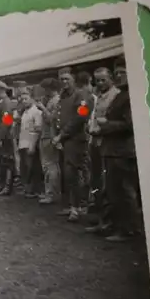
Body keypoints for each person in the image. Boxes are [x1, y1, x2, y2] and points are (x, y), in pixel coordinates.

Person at [89, 59, 141, 242]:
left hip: (122, 150)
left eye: (122, 73)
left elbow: (129, 125)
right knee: (112, 189)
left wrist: (105, 126)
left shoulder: (128, 96)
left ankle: (129, 230)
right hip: (110, 148)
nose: (119, 76)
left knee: (124, 191)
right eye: (117, 73)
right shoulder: (120, 96)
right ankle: (113, 224)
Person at [53, 67, 94, 222]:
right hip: (65, 140)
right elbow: (59, 117)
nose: (64, 82)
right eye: (62, 79)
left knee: (74, 173)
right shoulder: (63, 96)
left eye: (67, 79)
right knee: (67, 174)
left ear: (73, 80)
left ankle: (78, 207)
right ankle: (71, 205)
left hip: (76, 139)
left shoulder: (81, 95)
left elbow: (80, 118)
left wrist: (62, 135)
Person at [35, 78, 61, 205]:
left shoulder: (56, 100)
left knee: (50, 166)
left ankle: (52, 194)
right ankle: (49, 192)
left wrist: (42, 108)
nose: (45, 91)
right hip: (45, 135)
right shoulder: (50, 100)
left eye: (46, 88)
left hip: (50, 136)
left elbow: (52, 120)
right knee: (47, 166)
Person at [18, 88, 43, 199]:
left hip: (31, 142)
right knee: (26, 167)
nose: (24, 101)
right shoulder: (25, 112)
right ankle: (28, 188)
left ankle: (34, 190)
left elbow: (37, 130)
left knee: (32, 167)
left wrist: (32, 145)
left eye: (26, 99)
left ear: (32, 99)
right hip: (23, 142)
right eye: (22, 99)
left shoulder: (36, 112)